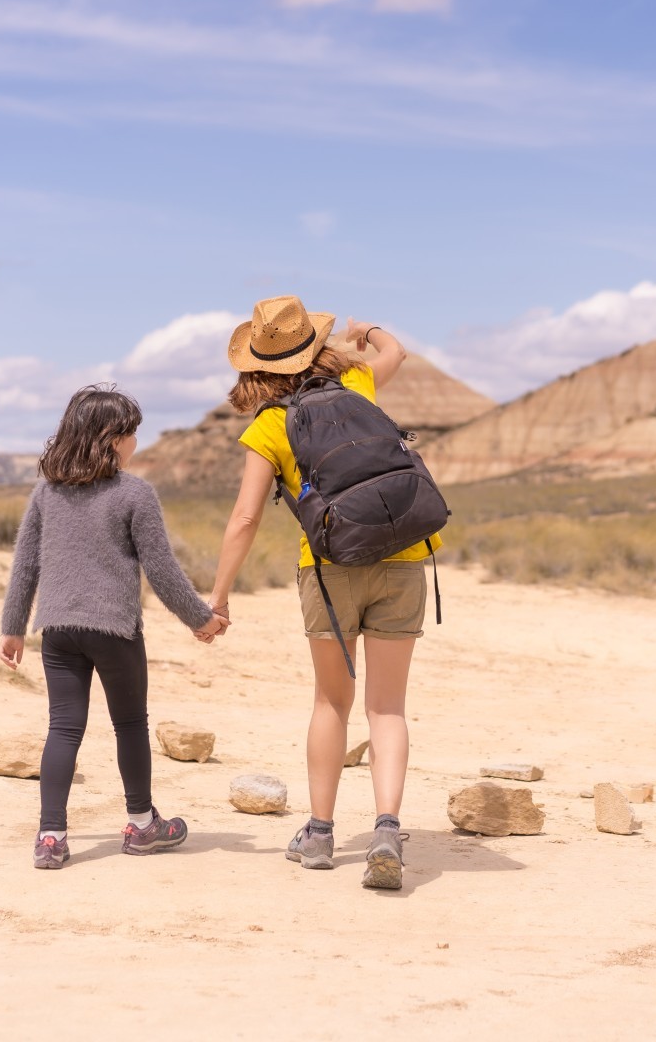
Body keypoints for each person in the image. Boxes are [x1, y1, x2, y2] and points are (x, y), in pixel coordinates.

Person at [209, 294, 434, 891]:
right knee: (387, 708)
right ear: (313, 346)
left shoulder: (269, 425)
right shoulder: (359, 383)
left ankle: (320, 833)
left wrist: (220, 595)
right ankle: (386, 829)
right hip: (404, 558)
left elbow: (245, 518)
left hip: (328, 569)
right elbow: (397, 351)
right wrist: (367, 329)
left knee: (330, 703)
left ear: (259, 365)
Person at [0, 384, 228, 870]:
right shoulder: (135, 494)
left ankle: (51, 837)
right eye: (131, 433)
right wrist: (201, 619)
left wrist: (13, 627)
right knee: (129, 724)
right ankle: (143, 825)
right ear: (110, 437)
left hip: (58, 630)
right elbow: (162, 571)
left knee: (63, 727)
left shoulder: (47, 493)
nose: (136, 442)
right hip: (114, 630)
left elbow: (25, 564)